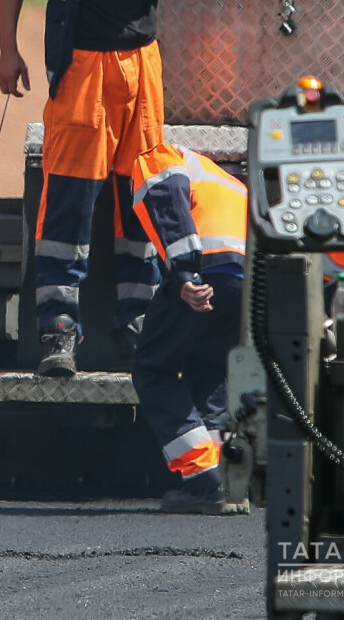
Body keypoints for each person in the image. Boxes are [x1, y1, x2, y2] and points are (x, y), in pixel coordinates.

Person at [0, 0, 200, 376]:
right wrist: (8, 50)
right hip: (81, 69)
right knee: (69, 202)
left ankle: (137, 327)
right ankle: (58, 334)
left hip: (141, 69)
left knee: (144, 200)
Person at [130, 143, 249, 515]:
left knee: (153, 369)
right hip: (240, 279)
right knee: (209, 370)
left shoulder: (156, 155)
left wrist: (183, 274)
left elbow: (169, 204)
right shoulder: (221, 175)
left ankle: (204, 479)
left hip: (202, 272)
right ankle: (230, 483)